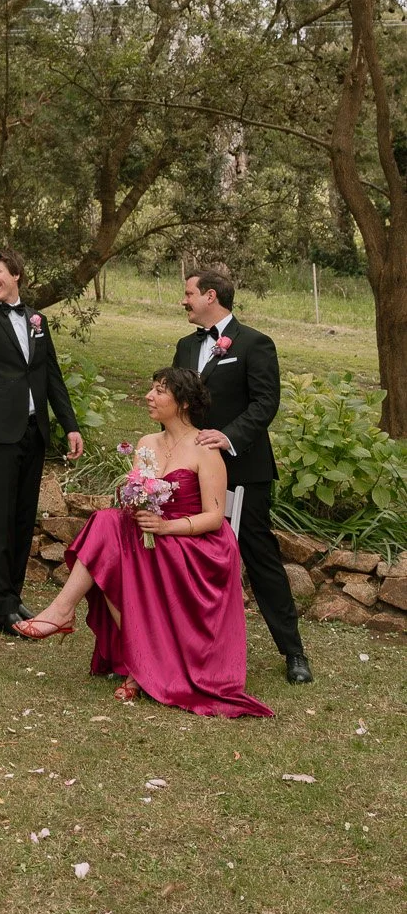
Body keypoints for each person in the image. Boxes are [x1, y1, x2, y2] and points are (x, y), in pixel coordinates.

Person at [18, 367, 274, 719]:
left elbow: (215, 518)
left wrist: (166, 529)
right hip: (149, 535)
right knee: (109, 528)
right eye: (151, 390)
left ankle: (72, 618)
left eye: (159, 391)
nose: (149, 397)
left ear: (182, 402)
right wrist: (136, 505)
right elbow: (134, 500)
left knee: (110, 541)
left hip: (195, 545)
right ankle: (134, 660)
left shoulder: (205, 449)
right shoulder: (146, 444)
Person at [174, 263, 311, 685]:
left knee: (260, 556)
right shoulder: (184, 345)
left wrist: (226, 437)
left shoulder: (255, 343)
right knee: (186, 550)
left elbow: (265, 404)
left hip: (243, 469)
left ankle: (293, 652)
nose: (184, 301)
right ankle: (186, 647)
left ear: (211, 296)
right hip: (192, 468)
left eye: (189, 293)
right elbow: (177, 400)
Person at [0, 247, 83, 636]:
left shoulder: (37, 320)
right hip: (0, 433)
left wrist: (70, 425)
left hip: (35, 431)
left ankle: (13, 597)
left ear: (16, 274)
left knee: (22, 517)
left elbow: (51, 375)